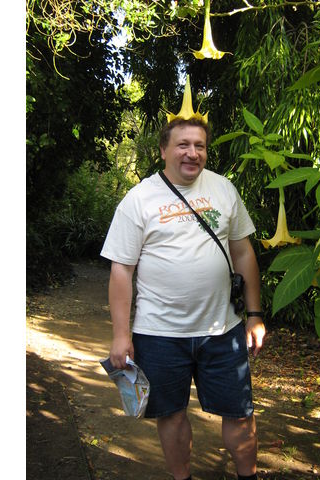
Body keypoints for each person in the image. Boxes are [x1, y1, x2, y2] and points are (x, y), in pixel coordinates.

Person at [101, 115, 266, 480]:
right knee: (171, 415)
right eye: (183, 145)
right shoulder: (139, 199)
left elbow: (243, 253)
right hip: (159, 333)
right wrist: (120, 335)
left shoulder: (224, 189)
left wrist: (254, 315)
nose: (193, 153)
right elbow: (121, 270)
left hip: (222, 329)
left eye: (200, 146)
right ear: (164, 151)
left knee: (240, 413)